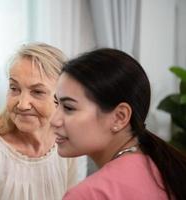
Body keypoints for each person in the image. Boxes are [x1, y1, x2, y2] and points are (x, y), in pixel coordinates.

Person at [51, 48, 186, 200]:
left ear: (119, 117)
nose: (54, 120)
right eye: (56, 104)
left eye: (69, 108)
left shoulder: (89, 194)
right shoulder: (167, 171)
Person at [0, 43, 79, 200]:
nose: (22, 104)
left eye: (37, 92)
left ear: (62, 96)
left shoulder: (67, 141)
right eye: (14, 88)